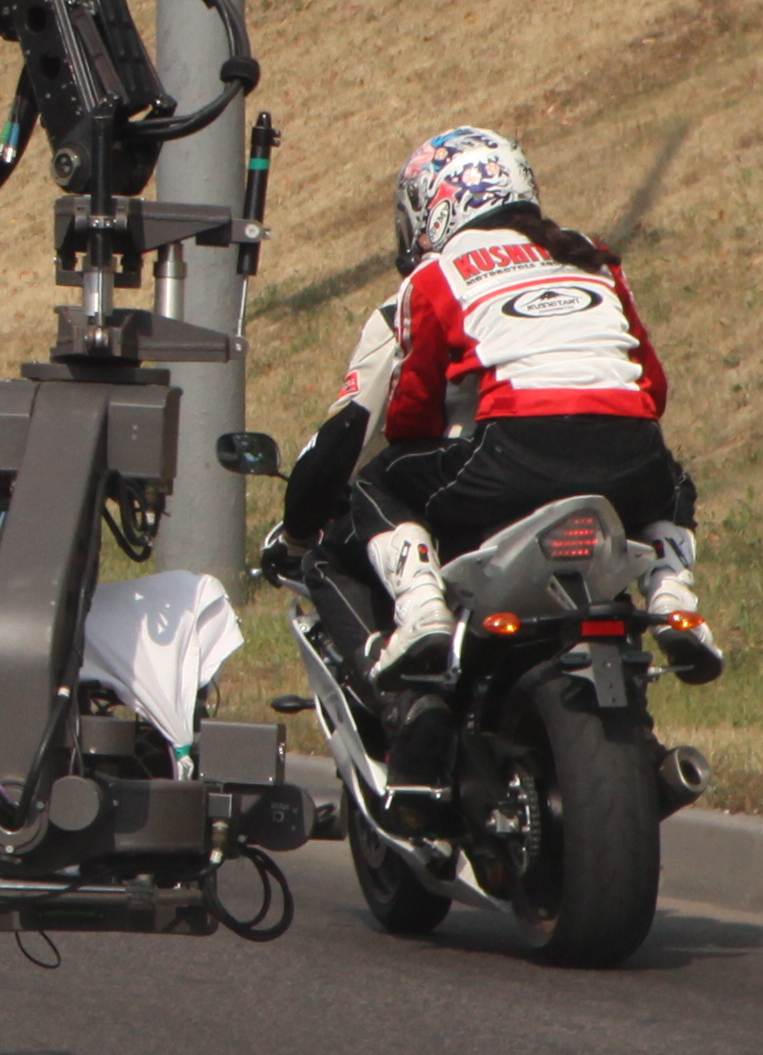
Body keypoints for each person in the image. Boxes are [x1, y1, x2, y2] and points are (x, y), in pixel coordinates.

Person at [278, 125, 709, 707]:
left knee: (378, 483)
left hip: (509, 457)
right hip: (629, 458)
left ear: (430, 212)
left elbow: (411, 410)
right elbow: (651, 389)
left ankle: (423, 612)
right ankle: (673, 598)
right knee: (673, 479)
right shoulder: (593, 256)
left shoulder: (435, 277)